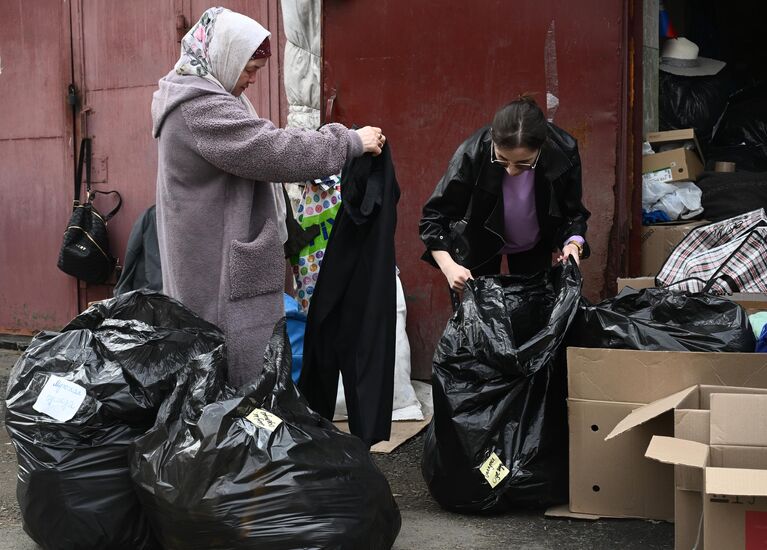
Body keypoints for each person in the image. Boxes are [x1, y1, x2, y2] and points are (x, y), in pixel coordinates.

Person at [152, 7, 385, 387]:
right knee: (230, 370)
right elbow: (272, 151)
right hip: (215, 266)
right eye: (249, 69)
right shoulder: (199, 107)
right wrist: (349, 142)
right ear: (224, 56)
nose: (250, 80)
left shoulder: (207, 95)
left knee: (226, 365)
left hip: (214, 255)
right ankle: (231, 439)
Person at [419, 95, 590, 294]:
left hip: (534, 245)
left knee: (535, 313)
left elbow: (573, 214)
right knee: (478, 320)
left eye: (524, 163)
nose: (510, 170)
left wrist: (573, 245)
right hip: (476, 244)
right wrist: (449, 267)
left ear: (541, 147)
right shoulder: (472, 153)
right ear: (493, 139)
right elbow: (433, 219)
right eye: (501, 159)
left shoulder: (563, 151)